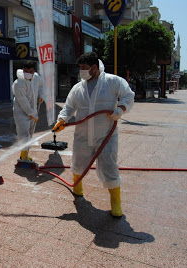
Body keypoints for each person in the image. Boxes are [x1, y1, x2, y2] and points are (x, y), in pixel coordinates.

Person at [52, 52, 135, 217]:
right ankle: (78, 187)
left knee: (109, 166)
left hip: (106, 136)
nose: (81, 72)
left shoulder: (112, 82)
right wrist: (61, 120)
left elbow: (128, 95)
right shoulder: (78, 88)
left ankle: (116, 204)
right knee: (78, 162)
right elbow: (68, 107)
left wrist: (120, 109)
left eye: (83, 68)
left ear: (94, 67)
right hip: (82, 134)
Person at [12, 60, 49, 162]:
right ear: (23, 70)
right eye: (26, 71)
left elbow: (41, 87)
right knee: (24, 133)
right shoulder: (18, 83)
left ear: (34, 71)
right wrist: (32, 113)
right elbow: (23, 101)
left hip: (33, 109)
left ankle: (24, 154)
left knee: (30, 132)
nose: (28, 74)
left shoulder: (37, 77)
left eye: (30, 71)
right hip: (21, 111)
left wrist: (41, 95)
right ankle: (23, 157)